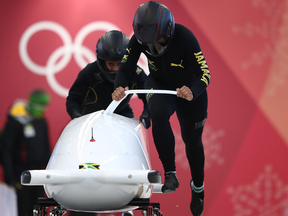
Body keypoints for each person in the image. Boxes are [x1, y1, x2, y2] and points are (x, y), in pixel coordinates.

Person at [112, 1, 211, 216]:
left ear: (169, 30)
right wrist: (119, 87)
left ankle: (198, 188)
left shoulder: (185, 37)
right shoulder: (139, 40)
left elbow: (205, 73)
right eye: (149, 45)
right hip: (159, 84)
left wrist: (193, 91)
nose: (154, 48)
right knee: (156, 112)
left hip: (190, 90)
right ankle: (170, 173)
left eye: (159, 42)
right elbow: (126, 67)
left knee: (192, 141)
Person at [66, 30, 150, 216]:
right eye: (110, 64)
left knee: (133, 138)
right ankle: (84, 203)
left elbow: (149, 99)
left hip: (121, 118)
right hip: (91, 122)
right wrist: (76, 117)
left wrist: (146, 116)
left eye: (119, 64)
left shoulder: (136, 73)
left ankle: (129, 198)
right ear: (101, 60)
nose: (114, 69)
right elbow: (73, 98)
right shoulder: (90, 72)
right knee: (88, 164)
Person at [0, 89, 51, 216]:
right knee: (22, 211)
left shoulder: (42, 121)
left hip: (39, 175)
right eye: (40, 106)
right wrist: (10, 176)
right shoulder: (16, 122)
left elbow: (46, 148)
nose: (43, 109)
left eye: (44, 106)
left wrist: (49, 172)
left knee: (37, 211)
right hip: (21, 175)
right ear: (32, 104)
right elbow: (6, 150)